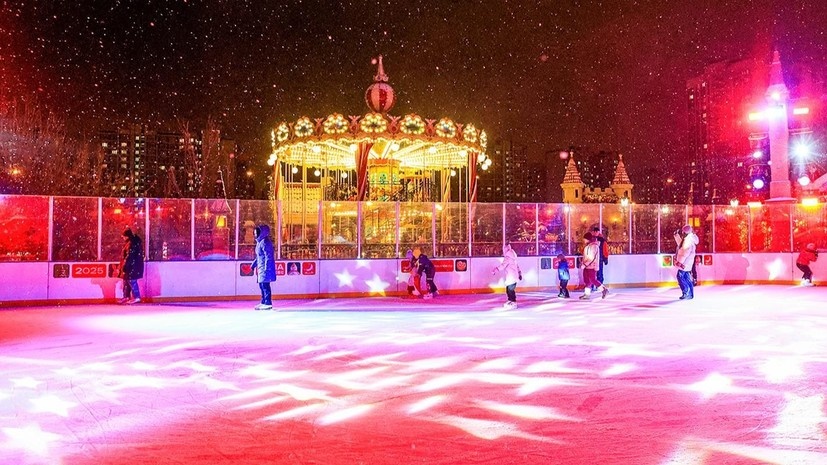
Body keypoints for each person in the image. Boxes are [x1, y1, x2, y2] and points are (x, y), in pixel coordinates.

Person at [250, 224, 276, 310]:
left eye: (256, 233)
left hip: (265, 267)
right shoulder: (259, 243)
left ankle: (268, 302)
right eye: (254, 233)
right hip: (261, 267)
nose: (255, 235)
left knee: (265, 285)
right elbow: (259, 256)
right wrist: (253, 265)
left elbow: (268, 255)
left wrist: (267, 267)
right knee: (261, 285)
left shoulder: (265, 242)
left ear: (261, 233)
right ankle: (263, 301)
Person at [579, 232, 609, 300]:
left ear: (588, 239)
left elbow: (592, 258)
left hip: (592, 266)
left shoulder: (594, 246)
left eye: (584, 239)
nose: (583, 240)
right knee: (587, 281)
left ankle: (604, 289)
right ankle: (587, 294)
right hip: (587, 266)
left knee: (593, 280)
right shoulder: (588, 246)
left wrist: (584, 264)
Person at [492, 243, 522, 309]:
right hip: (513, 276)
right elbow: (517, 267)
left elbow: (503, 265)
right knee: (509, 289)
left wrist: (496, 269)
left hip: (511, 277)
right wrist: (519, 273)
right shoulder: (513, 258)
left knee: (510, 290)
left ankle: (513, 301)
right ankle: (510, 300)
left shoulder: (508, 258)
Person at [119, 227, 144, 304]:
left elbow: (130, 256)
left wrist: (125, 265)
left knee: (132, 280)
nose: (123, 238)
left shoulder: (132, 244)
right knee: (126, 281)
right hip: (131, 265)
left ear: (127, 236)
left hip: (132, 266)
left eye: (123, 236)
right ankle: (126, 296)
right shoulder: (130, 243)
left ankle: (137, 297)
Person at [673, 224, 699, 300]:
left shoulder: (688, 241)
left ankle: (686, 291)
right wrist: (676, 236)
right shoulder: (688, 239)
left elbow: (684, 253)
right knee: (686, 278)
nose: (682, 233)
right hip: (687, 263)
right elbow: (681, 245)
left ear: (686, 232)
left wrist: (679, 263)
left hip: (685, 263)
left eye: (683, 232)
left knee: (680, 276)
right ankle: (690, 293)